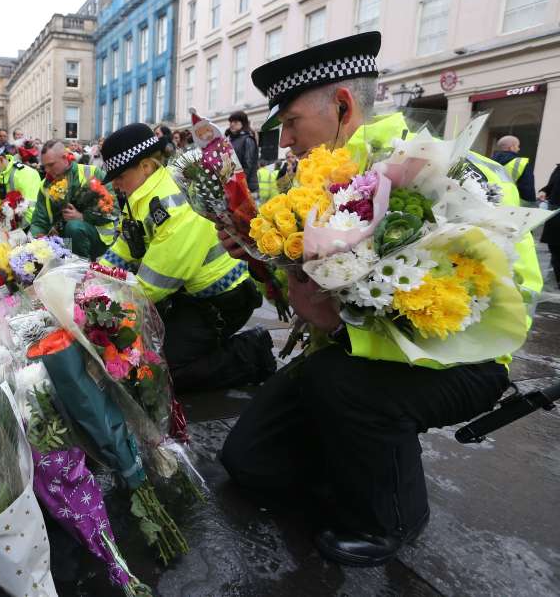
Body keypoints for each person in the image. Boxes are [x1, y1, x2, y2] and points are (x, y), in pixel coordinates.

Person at [216, 31, 542, 567]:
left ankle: (393, 515)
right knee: (249, 462)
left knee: (338, 384)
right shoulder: (306, 184)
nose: (286, 143)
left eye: (291, 123)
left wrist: (350, 320)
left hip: (457, 362)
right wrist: (257, 258)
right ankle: (349, 461)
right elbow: (297, 295)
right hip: (348, 352)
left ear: (342, 105)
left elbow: (508, 300)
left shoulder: (445, 170)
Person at [99, 123, 276, 392]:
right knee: (145, 350)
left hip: (224, 301)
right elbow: (125, 246)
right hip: (192, 297)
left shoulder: (171, 201)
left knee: (159, 371)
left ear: (146, 166)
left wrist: (103, 304)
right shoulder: (143, 195)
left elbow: (152, 286)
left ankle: (251, 353)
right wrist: (92, 277)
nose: (115, 184)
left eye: (120, 175)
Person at [28, 140, 117, 259]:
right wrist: (36, 239)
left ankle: (80, 269)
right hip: (62, 242)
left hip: (98, 239)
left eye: (51, 165)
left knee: (74, 227)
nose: (47, 170)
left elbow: (115, 209)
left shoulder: (92, 172)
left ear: (65, 158)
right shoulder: (45, 185)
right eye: (45, 166)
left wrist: (82, 217)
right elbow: (39, 220)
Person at [492, 135, 535, 204]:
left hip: (490, 201)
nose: (519, 149)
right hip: (510, 206)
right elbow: (527, 190)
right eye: (518, 146)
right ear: (511, 147)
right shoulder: (521, 163)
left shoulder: (489, 161)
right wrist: (532, 205)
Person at [226, 111, 259, 195]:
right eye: (231, 122)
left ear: (243, 123)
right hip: (233, 184)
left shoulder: (248, 139)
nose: (232, 124)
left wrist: (240, 184)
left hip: (247, 186)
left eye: (235, 122)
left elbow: (248, 164)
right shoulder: (230, 140)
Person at [538, 163, 560, 286]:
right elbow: (552, 186)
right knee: (554, 247)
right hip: (555, 213)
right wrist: (544, 191)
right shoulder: (559, 168)